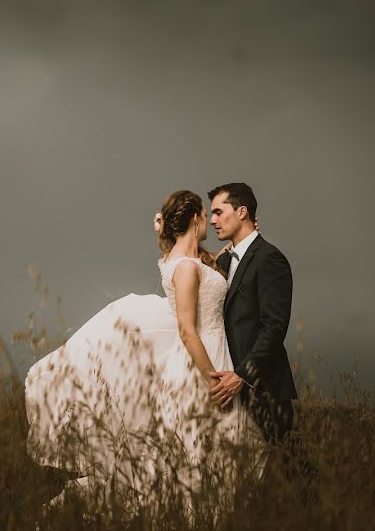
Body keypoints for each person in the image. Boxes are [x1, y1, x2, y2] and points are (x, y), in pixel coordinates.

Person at [25, 190, 265, 514]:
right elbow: (185, 329)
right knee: (203, 449)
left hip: (210, 351)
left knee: (209, 449)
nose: (209, 219)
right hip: (203, 360)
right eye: (205, 214)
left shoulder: (184, 260)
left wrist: (170, 231)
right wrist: (212, 377)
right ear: (195, 218)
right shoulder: (186, 269)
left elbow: (193, 259)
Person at [207, 183, 297, 444]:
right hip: (226, 387)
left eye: (219, 212)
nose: (213, 220)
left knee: (290, 466)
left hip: (263, 386)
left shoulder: (269, 258)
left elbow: (275, 327)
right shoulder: (224, 261)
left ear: (242, 211)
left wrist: (243, 376)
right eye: (210, 214)